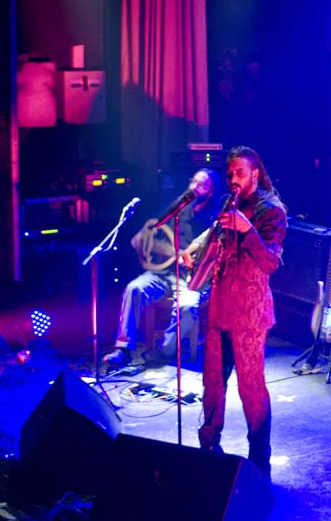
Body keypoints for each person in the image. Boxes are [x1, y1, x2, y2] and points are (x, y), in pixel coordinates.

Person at [187, 146, 287, 480]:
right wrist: (195, 249)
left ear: (255, 174)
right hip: (219, 309)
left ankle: (259, 463)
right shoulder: (229, 204)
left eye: (239, 173)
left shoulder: (271, 210)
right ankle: (208, 448)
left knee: (251, 389)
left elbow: (270, 261)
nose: (233, 179)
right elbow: (214, 236)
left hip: (249, 314)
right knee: (212, 383)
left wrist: (247, 230)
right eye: (230, 173)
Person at [102, 169, 223, 367]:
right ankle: (123, 349)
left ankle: (164, 350)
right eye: (193, 181)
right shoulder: (178, 207)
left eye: (202, 185)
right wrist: (147, 239)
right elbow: (148, 233)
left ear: (210, 192)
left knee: (188, 307)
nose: (194, 187)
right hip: (164, 272)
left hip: (192, 279)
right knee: (134, 289)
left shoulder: (215, 218)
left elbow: (215, 254)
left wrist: (192, 259)